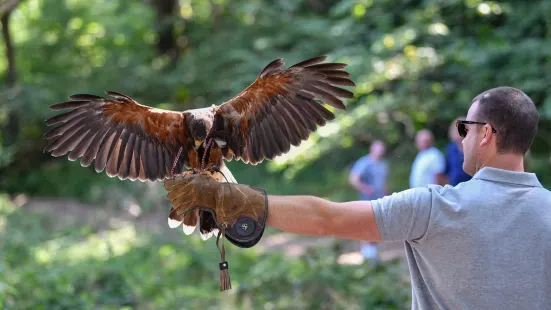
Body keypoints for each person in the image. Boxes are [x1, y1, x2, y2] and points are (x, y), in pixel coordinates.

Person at [168, 86, 550, 309]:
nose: (461, 135)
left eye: (465, 127)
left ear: (486, 134)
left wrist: (234, 199)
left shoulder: (437, 207)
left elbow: (327, 219)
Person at [348, 140, 388, 260]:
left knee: (377, 227)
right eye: (378, 148)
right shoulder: (365, 162)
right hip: (367, 201)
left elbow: (384, 183)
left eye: (382, 149)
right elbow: (353, 179)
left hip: (380, 200)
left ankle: (372, 254)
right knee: (367, 226)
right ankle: (366, 254)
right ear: (372, 149)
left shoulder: (383, 164)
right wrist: (365, 188)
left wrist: (387, 197)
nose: (380, 151)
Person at [443, 117, 472, 186]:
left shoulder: (473, 147)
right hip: (454, 187)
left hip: (470, 186)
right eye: (456, 130)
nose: (459, 133)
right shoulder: (451, 148)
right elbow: (447, 170)